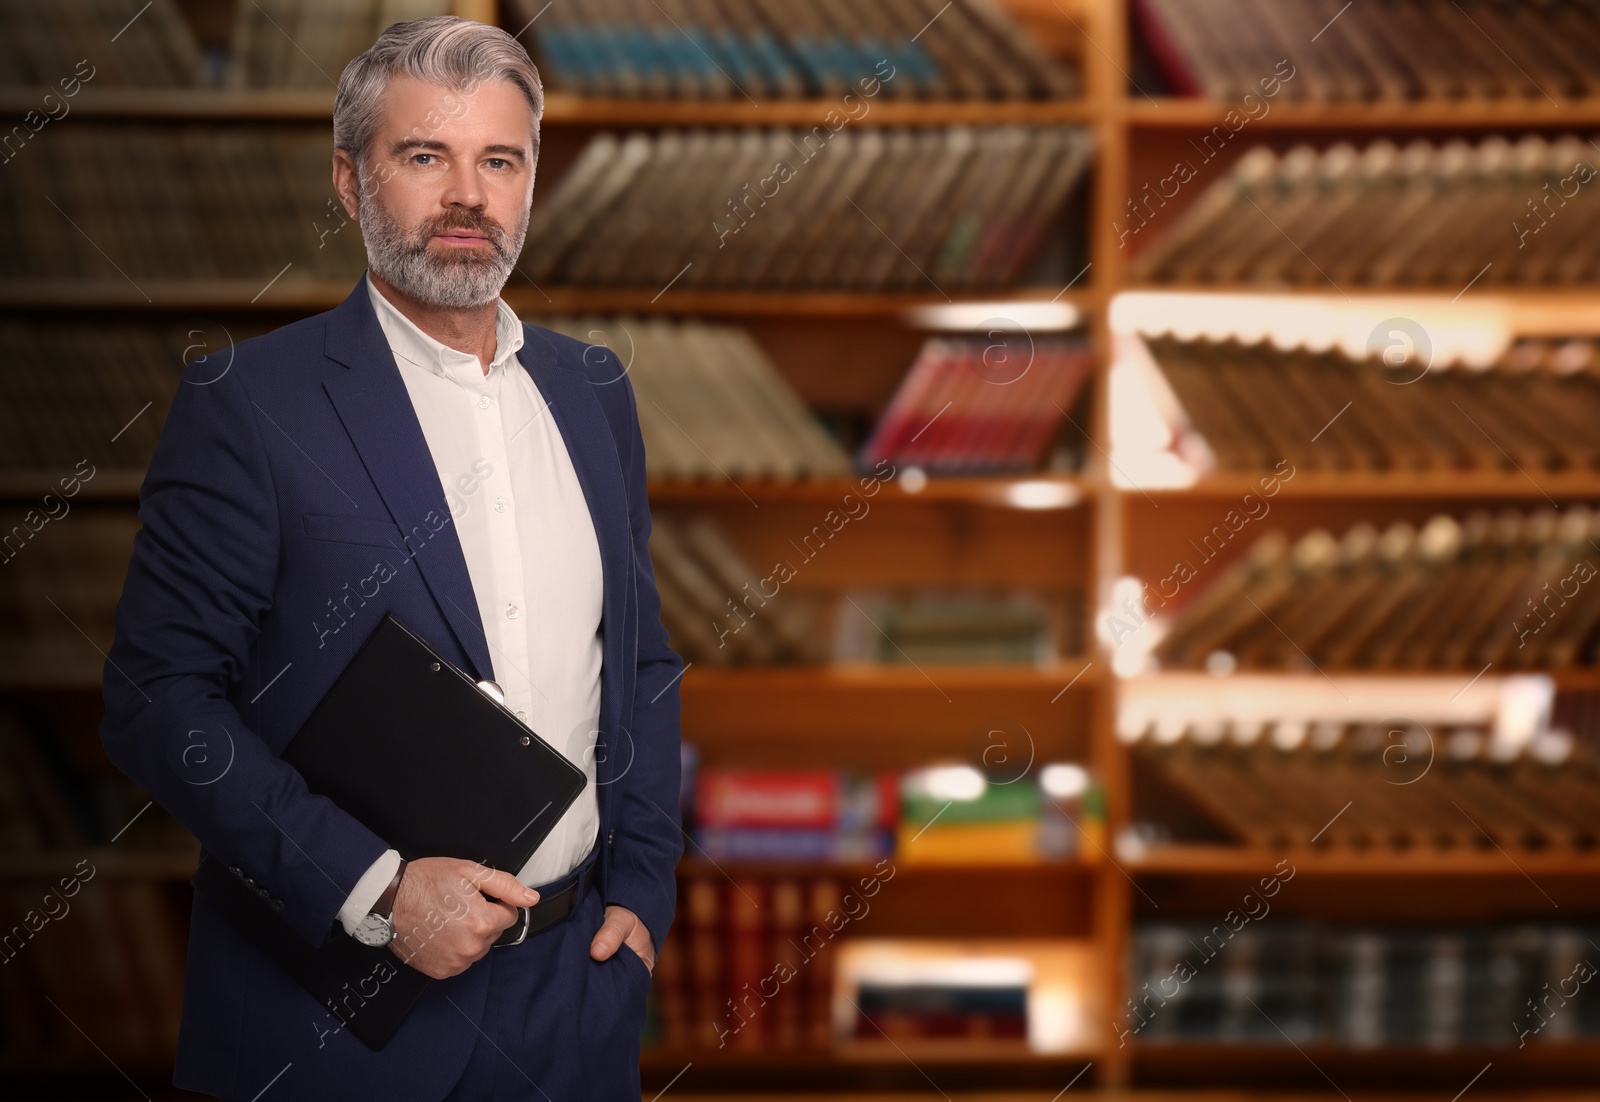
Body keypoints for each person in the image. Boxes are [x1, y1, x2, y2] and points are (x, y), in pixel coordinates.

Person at [98, 15, 683, 1101]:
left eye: (497, 160)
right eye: (425, 156)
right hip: (329, 1020)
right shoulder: (249, 405)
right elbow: (155, 702)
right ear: (348, 179)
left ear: (529, 181)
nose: (468, 194)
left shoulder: (594, 390)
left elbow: (639, 663)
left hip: (573, 997)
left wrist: (642, 895)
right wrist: (371, 887)